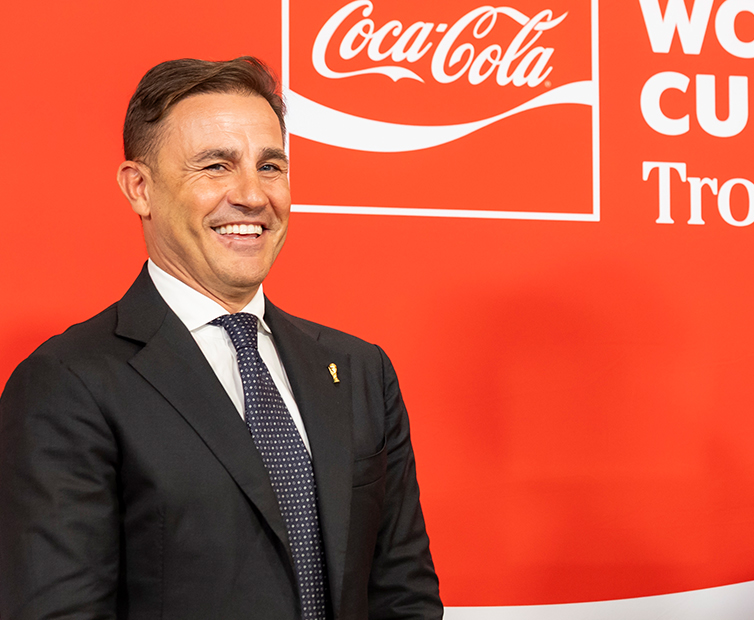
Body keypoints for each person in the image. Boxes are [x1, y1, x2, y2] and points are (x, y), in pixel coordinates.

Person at [0, 57, 442, 619]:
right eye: (215, 166)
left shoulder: (360, 371)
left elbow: (403, 596)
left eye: (271, 166)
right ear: (140, 188)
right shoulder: (67, 384)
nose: (253, 196)